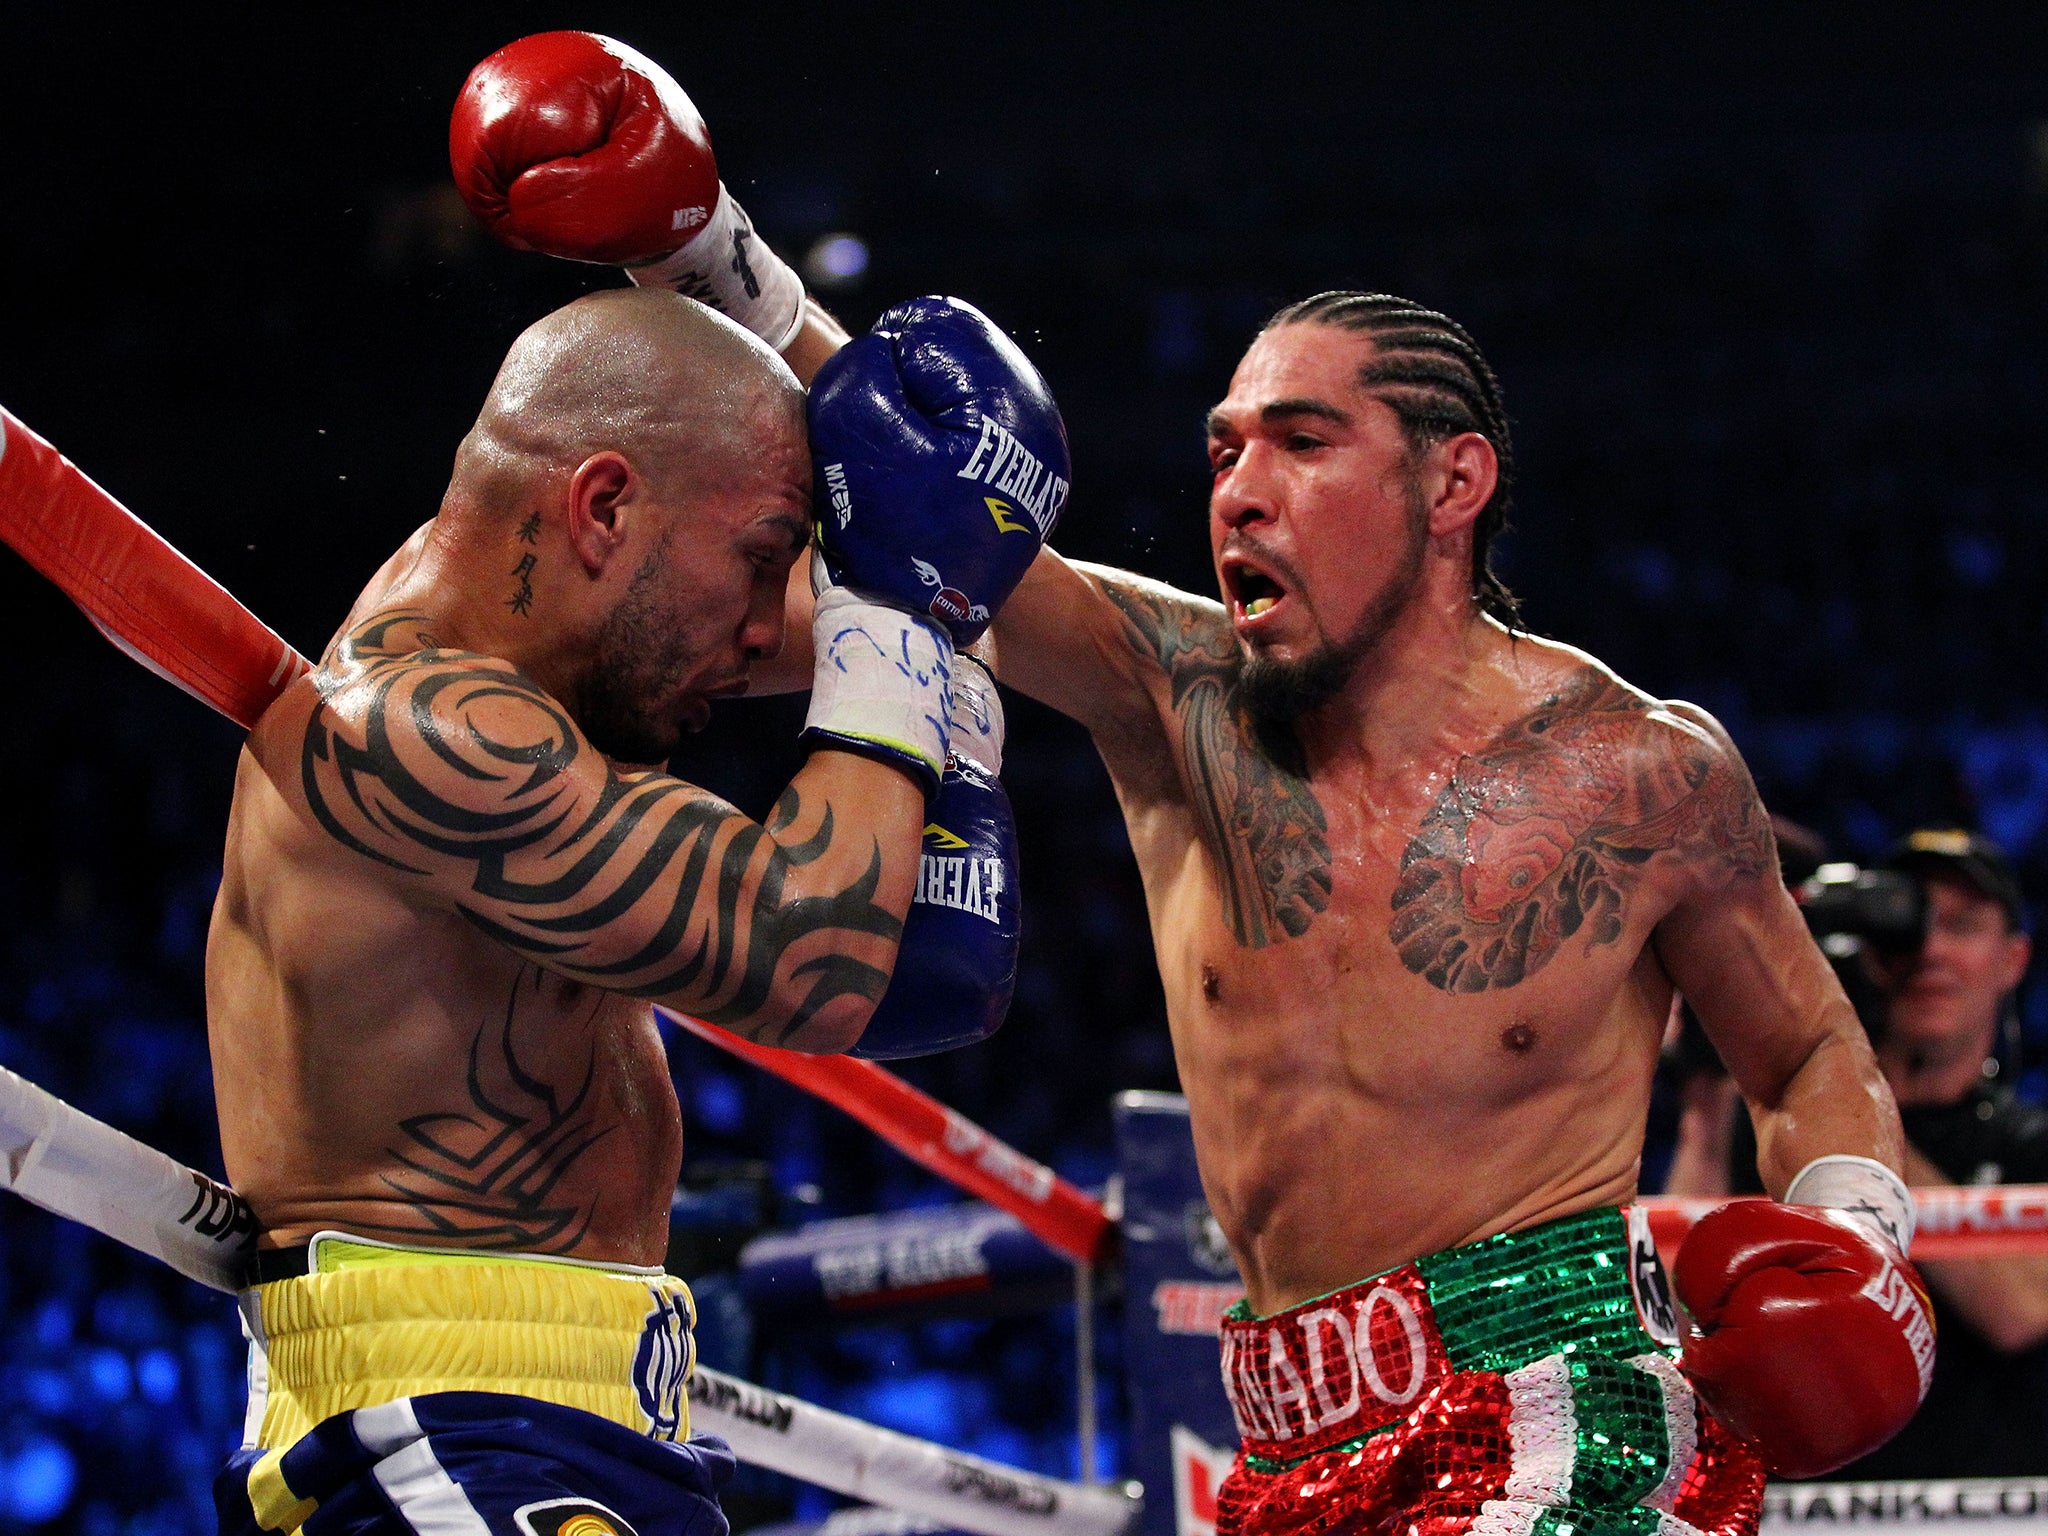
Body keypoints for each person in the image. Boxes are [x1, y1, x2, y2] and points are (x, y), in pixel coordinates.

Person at [467, 33, 1936, 1536]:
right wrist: (703, 247)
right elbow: (928, 489)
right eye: (1227, 449)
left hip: (1560, 1420)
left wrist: (1854, 1234)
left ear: (1454, 484)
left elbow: (1810, 1049)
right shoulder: (1176, 699)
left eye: (1305, 444)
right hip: (1287, 1453)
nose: (1239, 488)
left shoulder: (1639, 772)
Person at [204, 253, 1062, 1526]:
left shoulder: (550, 655)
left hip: (602, 1410)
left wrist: (927, 579)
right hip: (430, 1417)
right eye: (764, 556)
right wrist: (895, 611)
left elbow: (915, 952)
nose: (770, 624)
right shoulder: (410, 735)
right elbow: (807, 960)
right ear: (603, 508)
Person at [1670, 827, 2045, 1478]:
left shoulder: (2029, 1141)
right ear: (1870, 957)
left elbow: (2023, 1309)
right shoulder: (1777, 1129)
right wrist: (1711, 1069)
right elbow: (1673, 1292)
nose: (1930, 951)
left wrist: (1855, 1115)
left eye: (1962, 925)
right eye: (1911, 926)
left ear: (2012, 960)